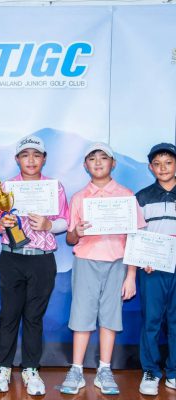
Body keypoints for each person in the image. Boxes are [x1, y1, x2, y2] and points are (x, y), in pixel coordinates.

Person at [60, 142, 145, 395]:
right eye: (92, 158)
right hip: (86, 261)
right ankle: (76, 369)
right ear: (85, 165)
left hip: (117, 263)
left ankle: (104, 370)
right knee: (81, 316)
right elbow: (70, 239)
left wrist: (131, 275)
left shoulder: (126, 195)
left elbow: (134, 237)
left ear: (113, 163)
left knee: (110, 316)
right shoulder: (79, 197)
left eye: (103, 158)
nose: (98, 163)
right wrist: (76, 232)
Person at [0, 135, 69, 396]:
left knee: (34, 316)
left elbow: (65, 221)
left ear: (44, 159)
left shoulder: (54, 187)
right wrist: (2, 224)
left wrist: (49, 225)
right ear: (17, 159)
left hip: (42, 259)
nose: (31, 160)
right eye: (25, 155)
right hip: (12, 257)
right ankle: (2, 367)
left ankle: (31, 369)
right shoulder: (7, 187)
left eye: (36, 155)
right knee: (9, 314)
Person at [136, 143, 176, 396]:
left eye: (168, 162)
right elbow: (136, 234)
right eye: (157, 164)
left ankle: (173, 372)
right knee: (151, 321)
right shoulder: (142, 197)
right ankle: (150, 371)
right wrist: (143, 258)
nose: (163, 168)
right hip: (153, 268)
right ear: (151, 168)